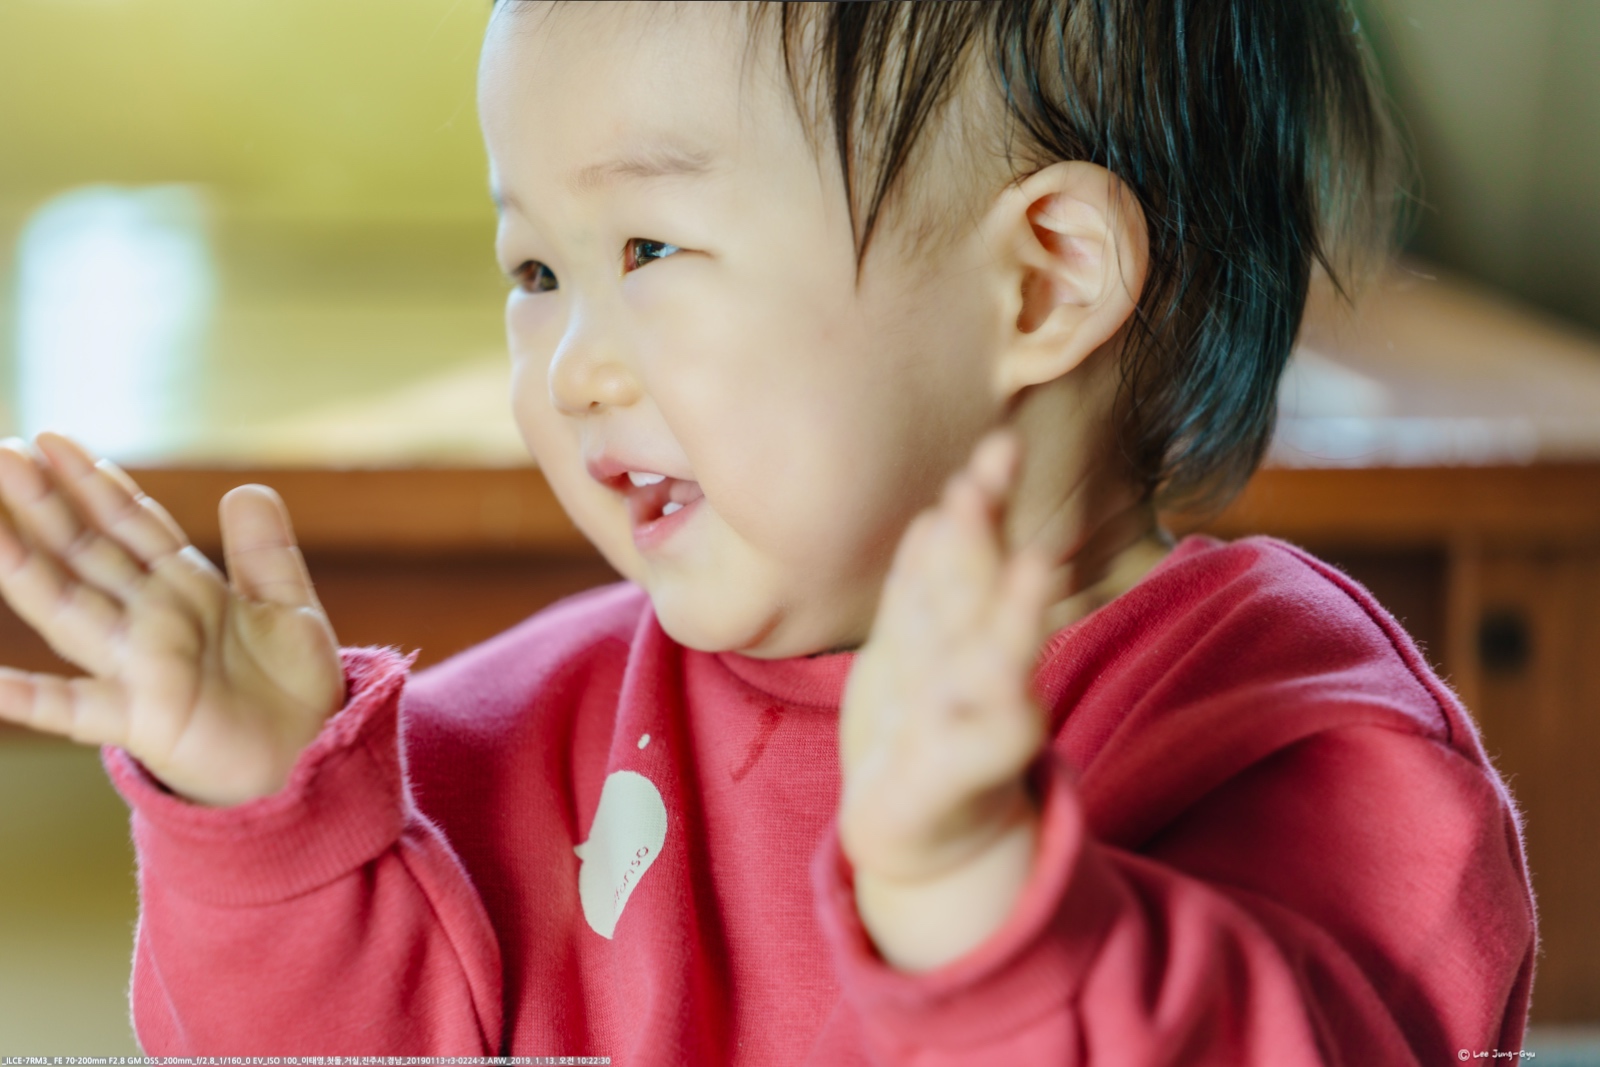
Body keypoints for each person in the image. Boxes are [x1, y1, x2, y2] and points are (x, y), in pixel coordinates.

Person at [0, 1, 1535, 1062]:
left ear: (1041, 284)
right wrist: (277, 830)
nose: (569, 369)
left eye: (648, 248)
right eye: (535, 272)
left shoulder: (1295, 740)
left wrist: (981, 907)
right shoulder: (522, 730)